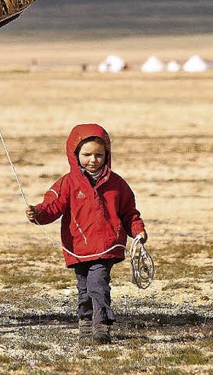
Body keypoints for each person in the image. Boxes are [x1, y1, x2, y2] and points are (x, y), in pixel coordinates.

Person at [25, 123, 147, 343]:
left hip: (106, 246)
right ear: (75, 155)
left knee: (98, 284)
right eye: (87, 154)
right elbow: (52, 207)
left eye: (99, 155)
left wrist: (138, 231)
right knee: (84, 289)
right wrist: (37, 214)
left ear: (107, 155)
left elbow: (129, 213)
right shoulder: (67, 183)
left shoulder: (117, 184)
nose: (93, 160)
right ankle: (85, 323)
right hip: (77, 248)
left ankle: (102, 326)